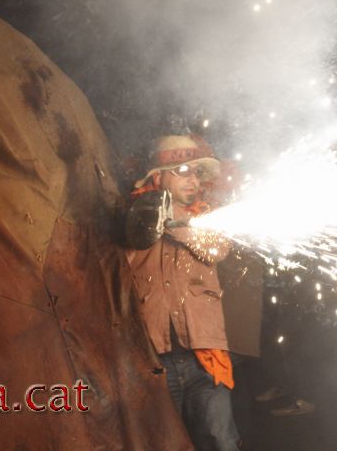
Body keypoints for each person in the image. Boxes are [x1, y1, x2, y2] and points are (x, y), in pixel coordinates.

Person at [124, 135, 241, 451]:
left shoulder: (206, 217)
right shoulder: (132, 218)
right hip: (154, 357)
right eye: (183, 171)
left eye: (197, 173)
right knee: (163, 443)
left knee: (220, 441)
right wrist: (146, 225)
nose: (193, 180)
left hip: (205, 355)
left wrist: (183, 227)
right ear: (158, 176)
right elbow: (121, 263)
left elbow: (219, 249)